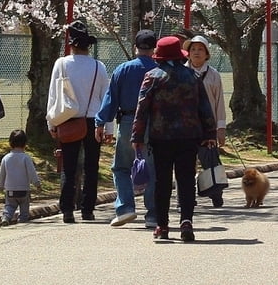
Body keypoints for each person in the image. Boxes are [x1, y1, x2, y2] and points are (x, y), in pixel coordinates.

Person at [132, 35, 217, 242]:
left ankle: (162, 225)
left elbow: (142, 108)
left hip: (161, 138)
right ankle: (186, 221)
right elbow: (204, 108)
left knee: (162, 182)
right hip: (189, 136)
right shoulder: (192, 76)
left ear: (158, 56)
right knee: (186, 180)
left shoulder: (152, 76)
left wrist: (137, 135)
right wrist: (209, 134)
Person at [46, 20, 110, 224]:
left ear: (70, 43)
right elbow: (105, 98)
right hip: (93, 121)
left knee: (69, 167)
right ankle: (88, 209)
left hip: (68, 119)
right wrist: (108, 127)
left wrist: (51, 123)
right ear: (88, 45)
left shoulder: (62, 64)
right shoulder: (99, 66)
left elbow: (53, 96)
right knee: (92, 167)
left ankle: (67, 210)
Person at [97, 29, 158, 227]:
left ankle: (125, 208)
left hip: (127, 122)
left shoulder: (122, 70)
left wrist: (100, 122)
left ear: (135, 48)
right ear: (154, 49)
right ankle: (153, 214)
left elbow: (110, 99)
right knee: (153, 168)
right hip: (154, 123)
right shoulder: (160, 70)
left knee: (121, 167)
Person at [186, 35, 228, 207]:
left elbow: (219, 103)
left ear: (207, 54)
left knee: (210, 160)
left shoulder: (214, 75)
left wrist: (220, 128)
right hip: (186, 126)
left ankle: (216, 193)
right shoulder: (182, 72)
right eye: (193, 49)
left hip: (207, 127)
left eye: (200, 49)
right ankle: (187, 197)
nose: (196, 53)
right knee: (186, 163)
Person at [0, 129, 41, 224]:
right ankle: (22, 220)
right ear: (25, 144)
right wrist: (37, 184)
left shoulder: (6, 158)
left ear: (10, 143)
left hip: (10, 190)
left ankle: (6, 217)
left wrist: (0, 186)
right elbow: (31, 172)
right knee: (24, 208)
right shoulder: (26, 158)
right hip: (24, 190)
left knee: (9, 206)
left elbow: (2, 173)